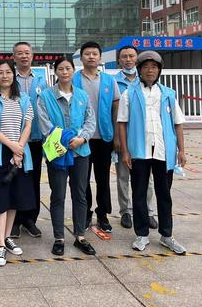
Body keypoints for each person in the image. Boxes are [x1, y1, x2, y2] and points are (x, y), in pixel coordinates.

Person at [118, 51, 186, 255]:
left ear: (159, 71)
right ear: (139, 70)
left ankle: (167, 235)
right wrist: (125, 152)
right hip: (139, 151)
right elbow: (122, 123)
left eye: (154, 67)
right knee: (139, 193)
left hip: (164, 152)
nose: (150, 70)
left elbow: (178, 123)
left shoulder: (168, 94)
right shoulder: (129, 93)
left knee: (164, 194)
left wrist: (181, 150)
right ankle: (142, 234)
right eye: (146, 66)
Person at [38, 57, 97, 256]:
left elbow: (90, 120)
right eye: (61, 69)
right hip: (58, 153)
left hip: (81, 152)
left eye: (68, 68)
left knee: (80, 195)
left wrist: (81, 139)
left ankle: (80, 236)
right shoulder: (46, 96)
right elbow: (44, 123)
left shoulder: (82, 95)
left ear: (73, 71)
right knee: (58, 195)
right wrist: (63, 140)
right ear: (56, 72)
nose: (64, 72)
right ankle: (59, 238)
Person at [0, 60, 36, 267]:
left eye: (8, 72)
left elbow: (28, 124)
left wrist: (19, 148)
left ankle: (7, 237)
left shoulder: (24, 99)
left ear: (13, 75)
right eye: (0, 73)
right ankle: (0, 245)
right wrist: (12, 146)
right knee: (0, 200)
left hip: (20, 153)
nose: (4, 76)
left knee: (14, 199)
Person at [73, 41, 120, 233]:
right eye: (87, 54)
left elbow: (116, 107)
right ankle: (86, 213)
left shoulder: (110, 80)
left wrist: (116, 134)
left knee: (103, 178)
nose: (91, 57)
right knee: (82, 179)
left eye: (94, 54)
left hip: (104, 137)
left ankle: (103, 214)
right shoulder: (73, 79)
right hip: (81, 138)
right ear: (81, 57)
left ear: (100, 58)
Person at [114, 46, 157, 230]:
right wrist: (116, 138)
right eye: (124, 57)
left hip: (144, 139)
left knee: (147, 179)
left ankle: (148, 212)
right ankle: (126, 211)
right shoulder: (113, 82)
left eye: (132, 56)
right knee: (123, 176)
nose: (128, 60)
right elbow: (113, 112)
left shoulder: (147, 82)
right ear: (118, 61)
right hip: (123, 137)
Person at [10, 41, 47, 239]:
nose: (24, 56)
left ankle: (30, 219)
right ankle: (14, 220)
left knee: (33, 179)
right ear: (14, 56)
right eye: (19, 53)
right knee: (15, 178)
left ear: (32, 56)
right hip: (13, 139)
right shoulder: (8, 77)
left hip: (35, 138)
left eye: (27, 53)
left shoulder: (42, 79)